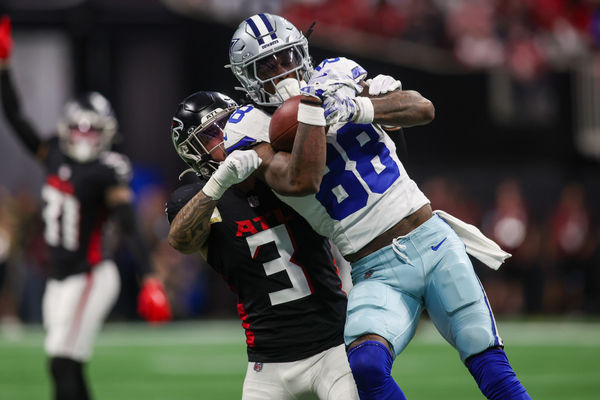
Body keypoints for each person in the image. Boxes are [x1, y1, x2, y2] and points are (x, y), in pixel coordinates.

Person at [221, 13, 531, 400]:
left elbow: (423, 109)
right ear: (247, 78)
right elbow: (301, 181)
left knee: (491, 366)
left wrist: (360, 106)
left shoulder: (336, 71)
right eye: (266, 66)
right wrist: (313, 112)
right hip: (374, 269)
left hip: (432, 241)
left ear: (302, 51)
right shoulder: (247, 125)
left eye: (287, 58)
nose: (282, 71)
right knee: (365, 366)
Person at [0, 15, 171, 400]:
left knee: (61, 360)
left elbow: (127, 222)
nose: (82, 137)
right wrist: (5, 67)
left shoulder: (106, 169)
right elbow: (14, 117)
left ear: (106, 133)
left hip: (90, 274)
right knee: (65, 363)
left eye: (91, 130)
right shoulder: (53, 152)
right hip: (58, 278)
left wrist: (148, 278)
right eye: (78, 129)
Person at [165, 90, 359, 400]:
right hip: (266, 363)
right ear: (193, 153)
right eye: (211, 136)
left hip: (333, 347)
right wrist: (219, 183)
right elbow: (181, 241)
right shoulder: (197, 198)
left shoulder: (281, 173)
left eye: (228, 124)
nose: (225, 137)